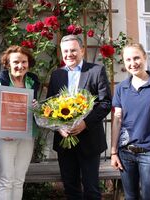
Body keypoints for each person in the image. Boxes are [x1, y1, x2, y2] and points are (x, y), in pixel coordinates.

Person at [46, 34, 112, 200]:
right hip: (64, 142)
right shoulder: (57, 75)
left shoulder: (96, 71)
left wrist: (85, 123)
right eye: (66, 51)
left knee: (92, 190)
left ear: (82, 50)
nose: (69, 54)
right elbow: (49, 106)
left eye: (73, 50)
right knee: (71, 189)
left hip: (89, 140)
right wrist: (58, 127)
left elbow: (105, 103)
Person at [110, 43, 150, 200]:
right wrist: (113, 152)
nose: (133, 63)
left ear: (145, 57)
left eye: (137, 57)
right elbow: (117, 121)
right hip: (125, 153)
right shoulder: (121, 88)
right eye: (128, 60)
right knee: (130, 197)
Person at [0, 45, 40, 200]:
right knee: (6, 179)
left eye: (24, 62)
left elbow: (35, 108)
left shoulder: (32, 81)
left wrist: (37, 107)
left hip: (27, 136)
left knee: (19, 179)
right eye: (15, 62)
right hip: (5, 137)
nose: (20, 66)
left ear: (28, 63)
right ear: (7, 64)